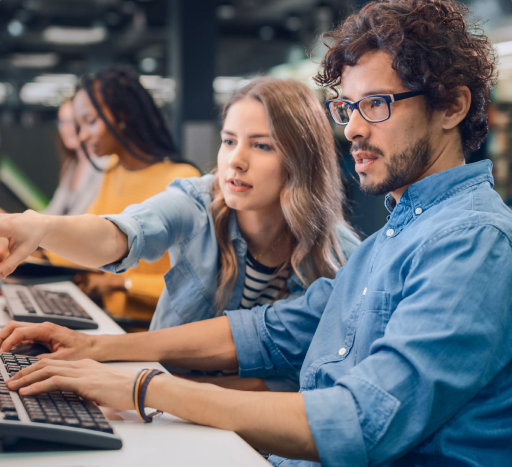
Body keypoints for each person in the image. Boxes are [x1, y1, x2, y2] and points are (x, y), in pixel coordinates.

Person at [1, 0, 511, 465]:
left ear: (452, 107)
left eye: (376, 104)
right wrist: (98, 352)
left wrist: (143, 387)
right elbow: (268, 332)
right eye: (347, 108)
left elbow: (358, 422)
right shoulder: (392, 240)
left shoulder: (471, 243)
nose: (353, 128)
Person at [0, 76, 360, 392]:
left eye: (262, 145)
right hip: (162, 400)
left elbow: (289, 383)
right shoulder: (198, 201)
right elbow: (120, 235)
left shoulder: (339, 259)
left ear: (301, 160)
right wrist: (40, 227)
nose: (236, 160)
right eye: (229, 141)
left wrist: (153, 388)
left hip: (252, 433)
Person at [45, 65, 200, 322]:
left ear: (123, 114)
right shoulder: (113, 172)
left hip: (149, 331)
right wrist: (29, 239)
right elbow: (84, 241)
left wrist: (120, 283)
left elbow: (197, 288)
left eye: (90, 122)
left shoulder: (181, 179)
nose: (82, 136)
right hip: (109, 318)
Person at [44, 100, 106, 216]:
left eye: (71, 121)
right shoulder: (72, 164)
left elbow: (82, 217)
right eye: (62, 122)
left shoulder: (101, 164)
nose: (65, 128)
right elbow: (53, 211)